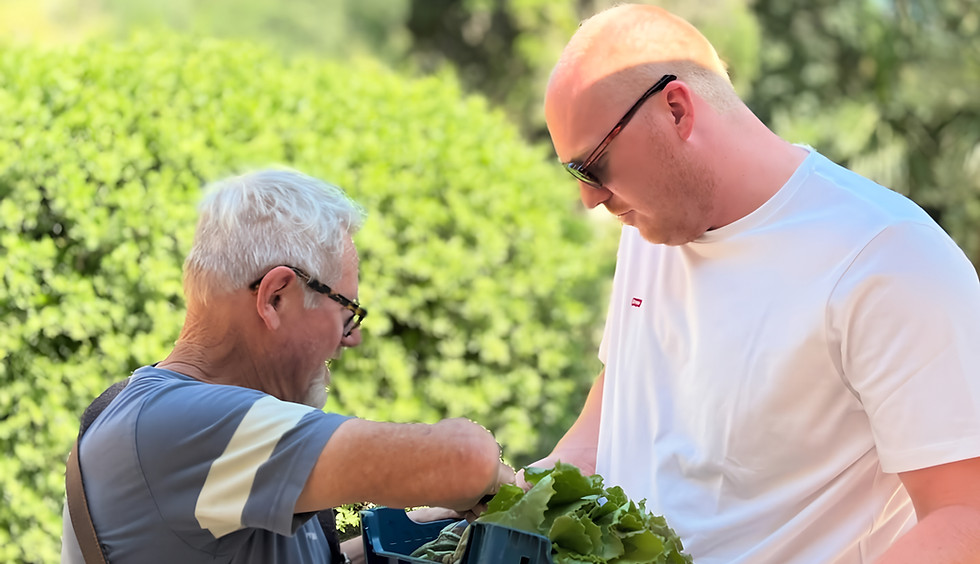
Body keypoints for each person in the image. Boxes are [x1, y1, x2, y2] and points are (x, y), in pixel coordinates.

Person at [532, 3, 980, 563]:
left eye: (592, 166)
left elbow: (966, 519)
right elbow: (624, 393)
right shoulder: (652, 229)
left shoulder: (888, 258)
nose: (589, 198)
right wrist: (528, 490)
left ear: (676, 110)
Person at [61, 169, 514, 563]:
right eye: (346, 311)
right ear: (275, 297)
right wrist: (500, 484)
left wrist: (437, 527)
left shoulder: (177, 424)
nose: (350, 338)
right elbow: (464, 459)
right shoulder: (182, 425)